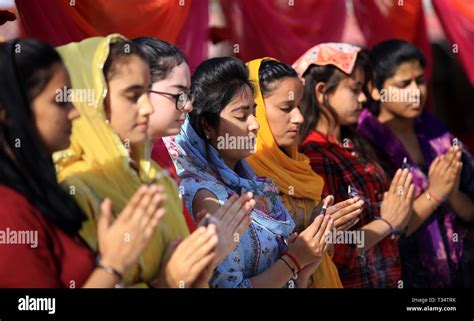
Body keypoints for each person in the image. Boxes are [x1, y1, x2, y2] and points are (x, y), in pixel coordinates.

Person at [53, 34, 229, 288]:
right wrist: (164, 283)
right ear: (92, 99)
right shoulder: (74, 189)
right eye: (134, 95)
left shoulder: (156, 178)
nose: (189, 106)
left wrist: (201, 260)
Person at [0, 39, 165, 288]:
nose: (76, 112)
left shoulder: (36, 189)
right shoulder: (7, 211)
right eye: (60, 101)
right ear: (10, 113)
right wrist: (112, 266)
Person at [169, 56, 334, 288]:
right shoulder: (205, 197)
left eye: (254, 112)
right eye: (241, 115)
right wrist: (294, 261)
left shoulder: (257, 185)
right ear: (207, 125)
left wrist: (304, 264)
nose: (255, 124)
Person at [294, 43, 415, 288]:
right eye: (354, 89)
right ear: (321, 92)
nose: (362, 98)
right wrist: (387, 223)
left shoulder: (354, 144)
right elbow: (333, 246)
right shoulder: (314, 155)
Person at [358, 39, 474, 287]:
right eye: (403, 84)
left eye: (420, 81)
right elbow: (383, 232)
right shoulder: (363, 145)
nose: (416, 91)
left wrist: (451, 195)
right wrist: (434, 194)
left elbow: (471, 209)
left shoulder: (438, 136)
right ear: (375, 89)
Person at [133, 37, 256, 266]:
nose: (188, 106)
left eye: (188, 95)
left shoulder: (162, 172)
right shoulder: (189, 184)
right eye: (177, 95)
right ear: (136, 93)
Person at [246, 58, 366, 288]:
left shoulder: (301, 166)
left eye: (299, 106)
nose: (299, 117)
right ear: (254, 109)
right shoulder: (243, 178)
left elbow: (324, 253)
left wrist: (322, 231)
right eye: (286, 108)